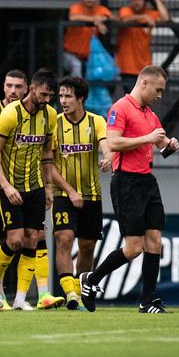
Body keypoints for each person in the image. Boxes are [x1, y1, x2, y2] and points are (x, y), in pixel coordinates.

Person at [79, 65, 179, 314]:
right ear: (144, 83)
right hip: (126, 182)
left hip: (147, 181)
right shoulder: (120, 108)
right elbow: (113, 142)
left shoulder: (149, 114)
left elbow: (162, 146)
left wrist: (170, 146)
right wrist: (148, 138)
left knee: (155, 241)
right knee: (134, 248)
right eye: (158, 90)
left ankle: (147, 301)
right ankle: (91, 280)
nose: (159, 95)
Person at [0, 68, 59, 311]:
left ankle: (20, 298)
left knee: (32, 239)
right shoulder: (10, 114)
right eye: (43, 94)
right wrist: (5, 186)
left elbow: (47, 152)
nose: (47, 99)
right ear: (32, 89)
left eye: (51, 96)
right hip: (10, 186)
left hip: (36, 186)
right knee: (14, 240)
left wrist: (48, 187)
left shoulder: (50, 115)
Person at [50, 76, 112, 310]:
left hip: (91, 195)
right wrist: (69, 190)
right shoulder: (54, 124)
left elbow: (106, 145)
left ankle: (81, 287)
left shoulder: (96, 121)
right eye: (61, 95)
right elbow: (49, 164)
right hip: (62, 194)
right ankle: (70, 294)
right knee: (63, 239)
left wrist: (108, 157)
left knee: (87, 247)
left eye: (68, 96)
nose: (63, 100)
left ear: (81, 98)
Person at [0, 69, 28, 310]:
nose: (13, 91)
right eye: (9, 86)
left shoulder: (31, 114)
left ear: (26, 89)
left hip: (22, 189)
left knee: (16, 240)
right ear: (3, 87)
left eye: (18, 86)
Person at [116, 0, 170, 85]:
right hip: (127, 65)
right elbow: (124, 19)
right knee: (132, 97)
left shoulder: (149, 13)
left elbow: (165, 18)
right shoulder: (126, 10)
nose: (137, 2)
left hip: (145, 65)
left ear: (145, 1)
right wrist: (143, 17)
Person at [63, 0, 113, 77]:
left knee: (103, 68)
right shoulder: (76, 7)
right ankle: (77, 91)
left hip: (90, 55)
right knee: (76, 65)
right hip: (70, 53)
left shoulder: (101, 9)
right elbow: (73, 17)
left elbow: (111, 17)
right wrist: (96, 20)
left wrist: (101, 20)